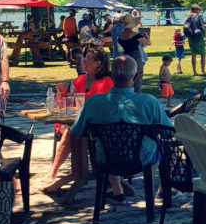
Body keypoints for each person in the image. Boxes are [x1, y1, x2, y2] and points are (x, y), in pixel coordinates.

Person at [70, 55, 171, 203]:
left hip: (107, 159)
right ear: (135, 76)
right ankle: (164, 191)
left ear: (112, 76)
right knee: (166, 147)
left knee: (109, 147)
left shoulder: (93, 103)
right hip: (142, 159)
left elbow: (76, 131)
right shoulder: (149, 102)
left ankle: (118, 192)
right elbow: (168, 130)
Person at [42, 48, 113, 182]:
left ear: (98, 63)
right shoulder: (79, 80)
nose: (84, 60)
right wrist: (62, 94)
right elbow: (66, 105)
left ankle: (55, 171)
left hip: (99, 125)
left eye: (88, 58)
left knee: (70, 132)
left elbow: (95, 102)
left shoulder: (107, 82)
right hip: (77, 121)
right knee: (69, 130)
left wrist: (77, 97)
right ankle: (76, 173)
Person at [118, 13, 151, 93]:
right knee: (137, 79)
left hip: (125, 56)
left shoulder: (121, 35)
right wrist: (146, 36)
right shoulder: (136, 35)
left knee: (127, 78)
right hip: (136, 56)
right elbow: (148, 43)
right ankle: (137, 95)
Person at [183, 4, 206, 75]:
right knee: (203, 54)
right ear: (196, 10)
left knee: (193, 54)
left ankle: (194, 72)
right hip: (198, 37)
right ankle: (203, 71)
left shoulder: (187, 16)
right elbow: (202, 26)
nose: (199, 11)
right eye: (199, 9)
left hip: (190, 37)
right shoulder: (199, 16)